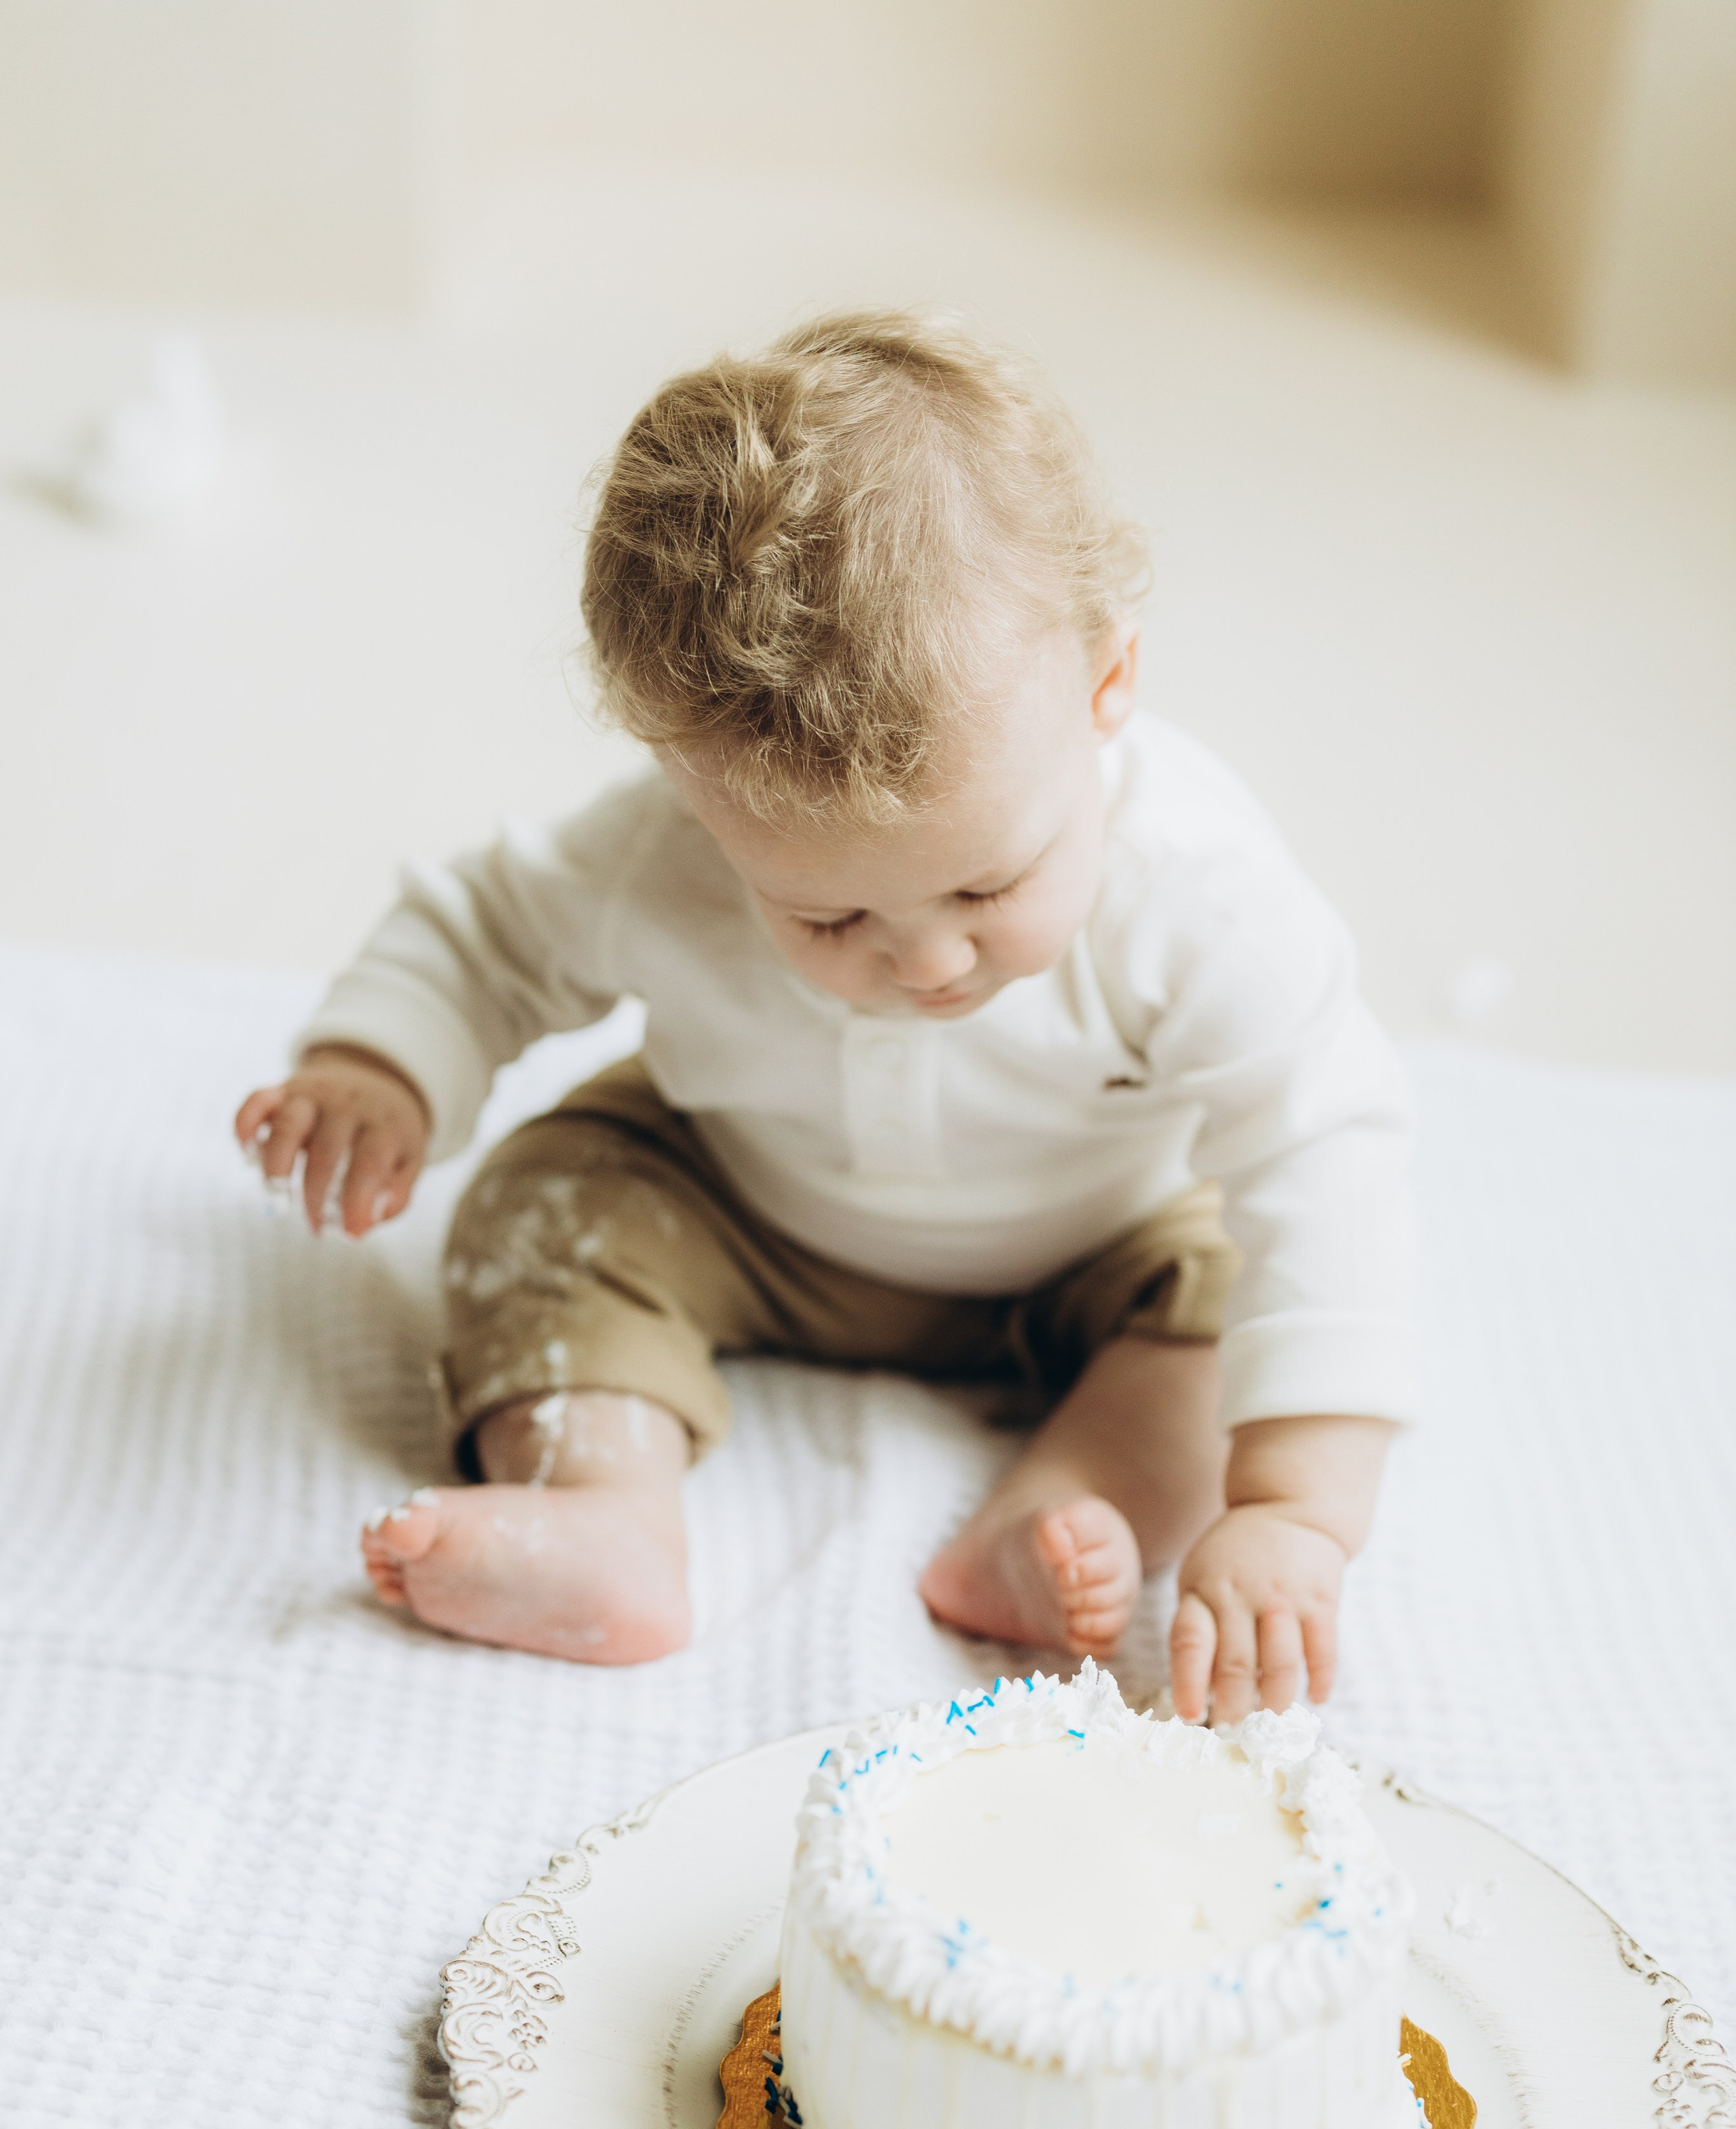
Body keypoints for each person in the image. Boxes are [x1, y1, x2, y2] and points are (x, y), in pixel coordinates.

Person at [235, 311, 1414, 1722]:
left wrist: (1291, 1505)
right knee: (546, 1204)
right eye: (827, 918)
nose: (924, 964)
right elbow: (484, 930)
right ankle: (601, 1503)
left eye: (988, 881)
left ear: (1106, 685)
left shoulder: (1197, 896)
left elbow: (1322, 1152)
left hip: (1095, 1246)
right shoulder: (657, 858)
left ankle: (1066, 1508)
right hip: (746, 1210)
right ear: (696, 801)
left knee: (1231, 1305)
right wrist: (380, 1066)